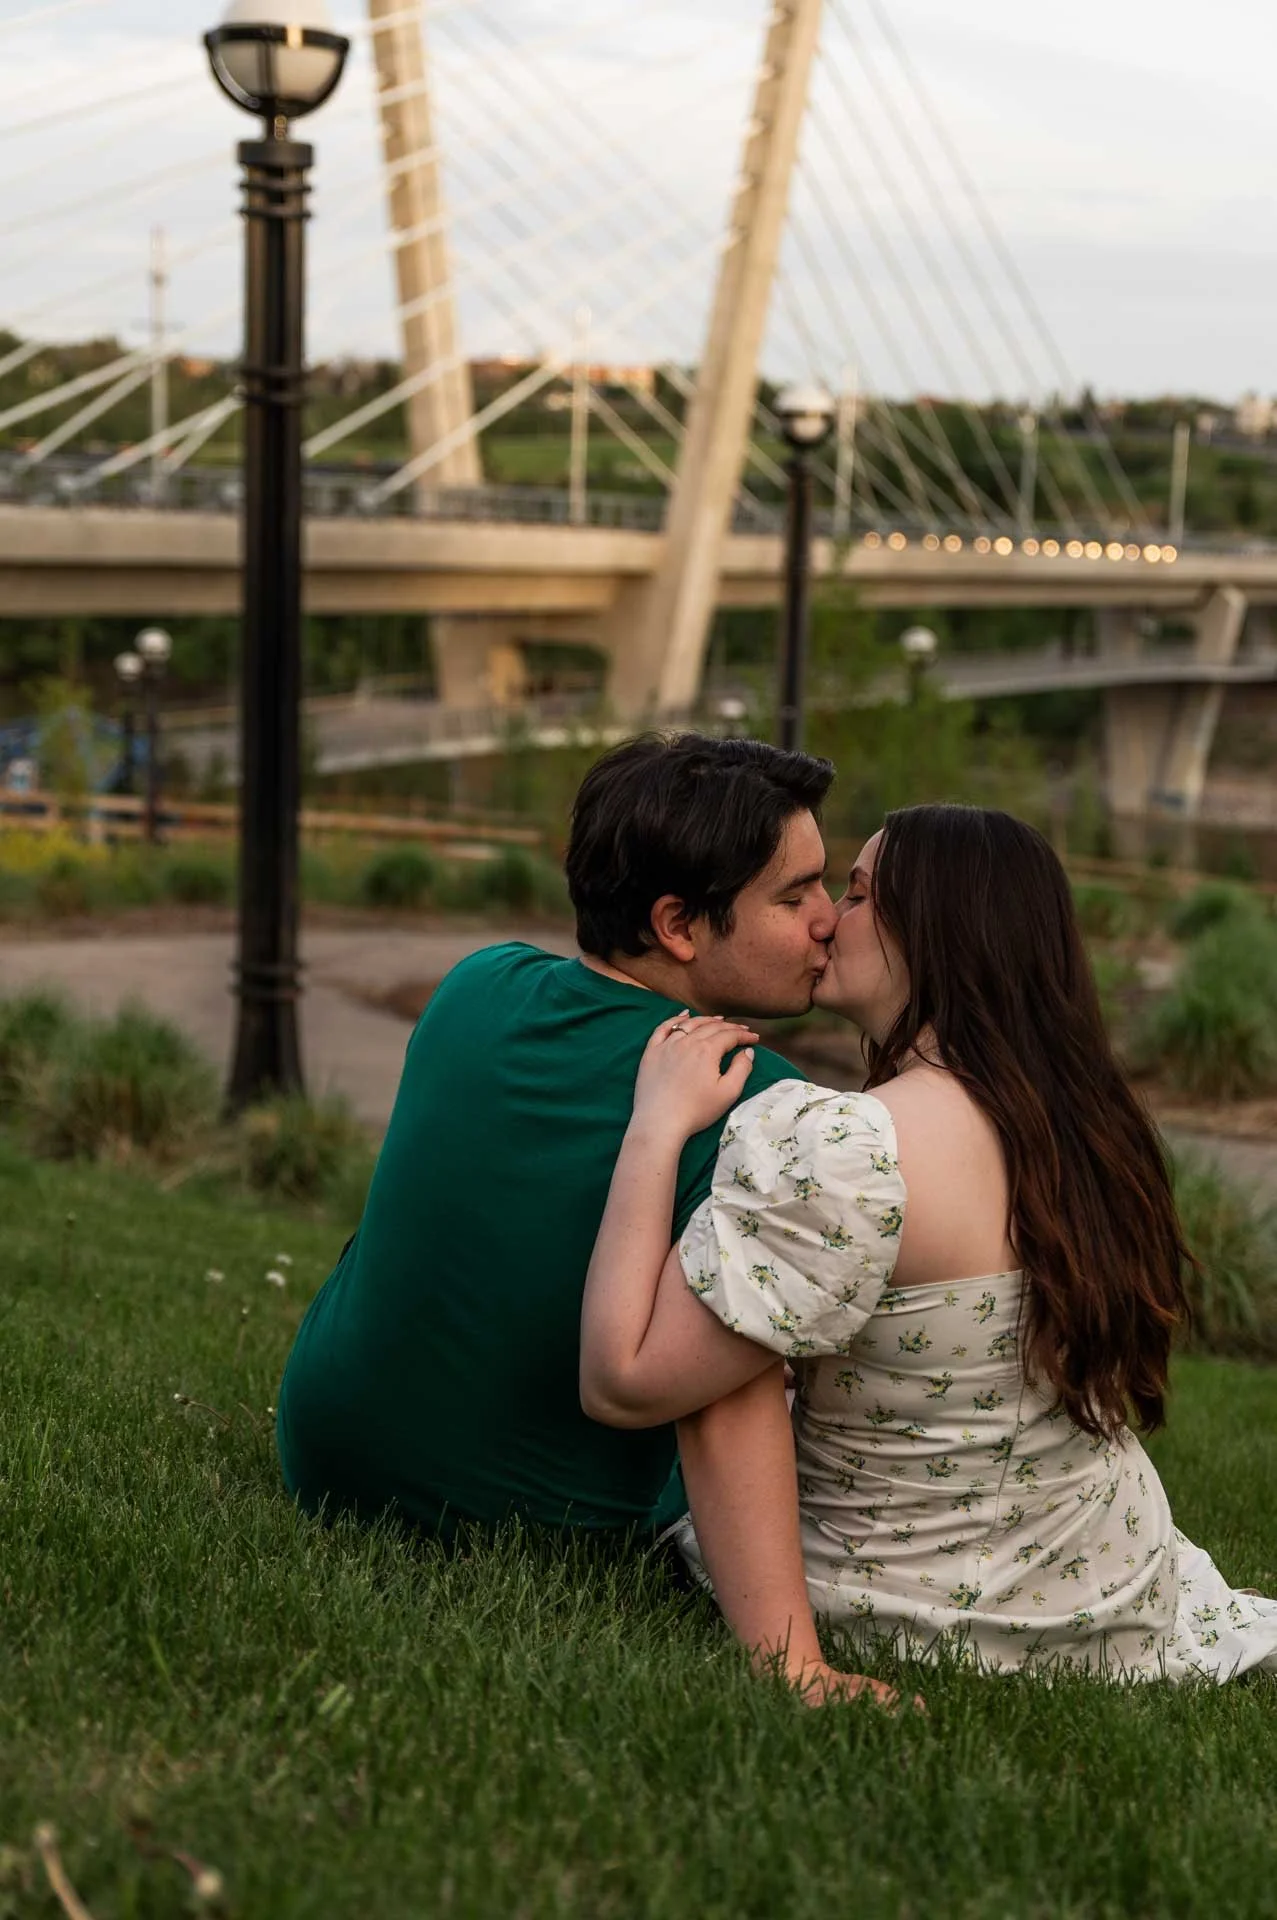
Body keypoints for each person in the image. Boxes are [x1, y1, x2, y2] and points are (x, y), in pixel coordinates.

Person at [581, 803, 1277, 1680]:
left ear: (938, 933)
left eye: (861, 893)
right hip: (1105, 1584)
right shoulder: (1084, 1133)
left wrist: (655, 1127)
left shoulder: (843, 1148)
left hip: (910, 1603)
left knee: (738, 1352)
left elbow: (624, 1380)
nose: (827, 918)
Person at [275, 732, 896, 1706]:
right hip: (527, 1528)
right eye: (792, 896)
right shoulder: (762, 1102)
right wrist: (793, 1659)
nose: (827, 923)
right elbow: (721, 1394)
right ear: (679, 925)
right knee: (749, 1340)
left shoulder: (476, 985)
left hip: (323, 1454)